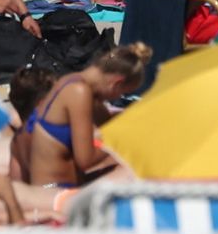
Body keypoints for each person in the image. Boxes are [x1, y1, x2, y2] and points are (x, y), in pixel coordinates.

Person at [18, 43, 149, 188]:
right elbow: (85, 159)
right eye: (122, 92)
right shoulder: (79, 92)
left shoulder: (72, 81)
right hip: (55, 190)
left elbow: (108, 123)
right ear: (116, 83)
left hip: (55, 185)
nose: (117, 97)